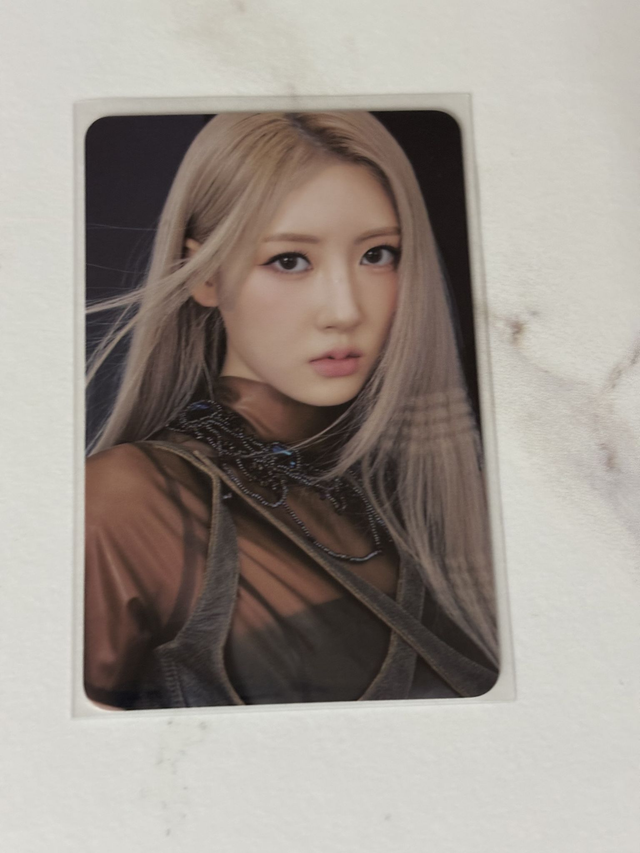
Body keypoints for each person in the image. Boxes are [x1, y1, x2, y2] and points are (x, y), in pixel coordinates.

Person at [84, 111, 499, 710]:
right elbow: (48, 755)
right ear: (205, 274)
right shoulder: (128, 504)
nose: (344, 310)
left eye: (378, 254)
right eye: (289, 261)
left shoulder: (442, 497)